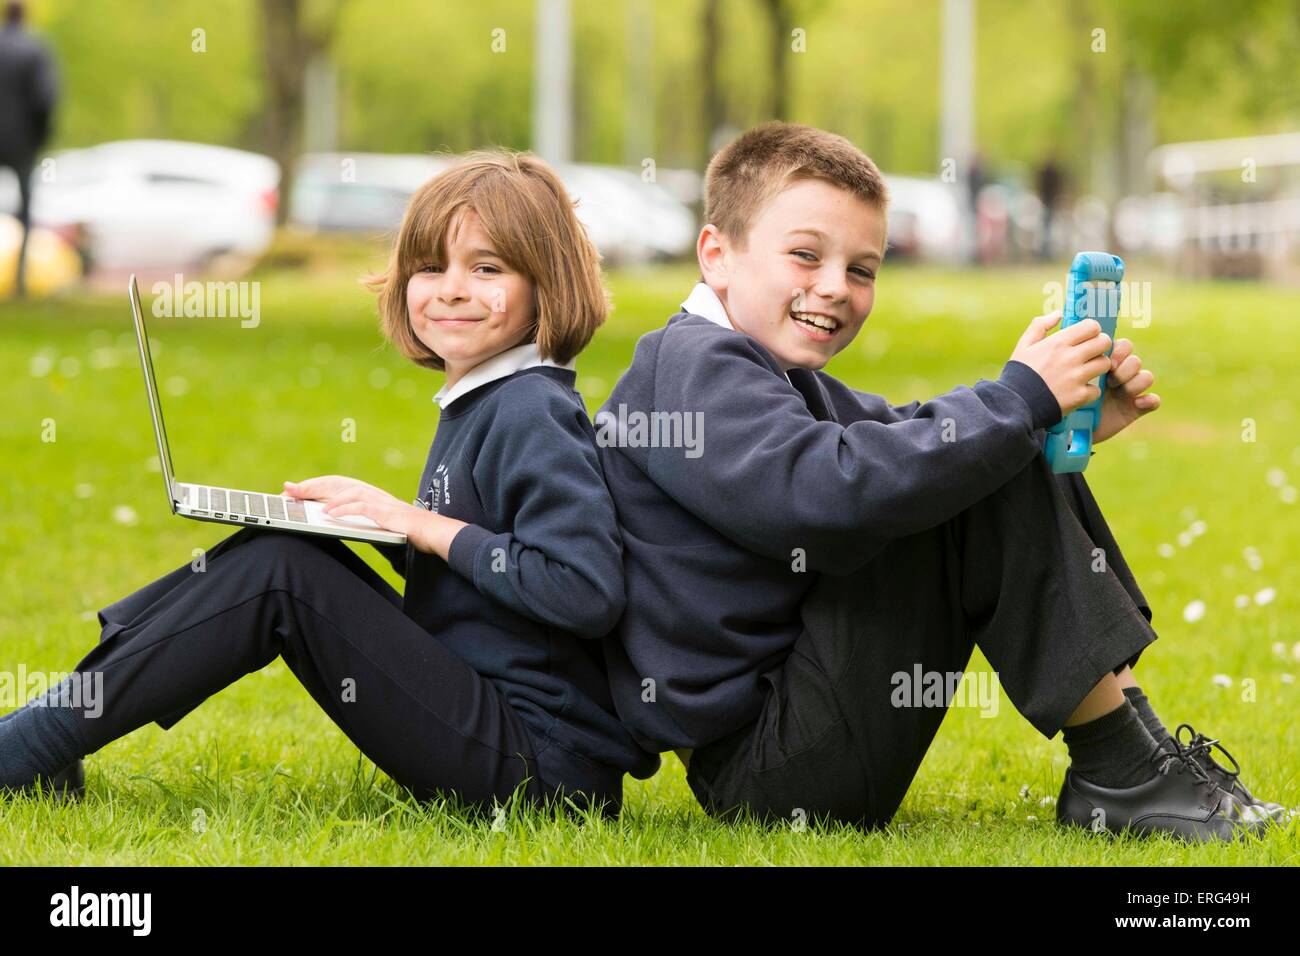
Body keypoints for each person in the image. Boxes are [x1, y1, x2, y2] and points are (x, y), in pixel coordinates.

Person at [595, 121, 1291, 841]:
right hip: (771, 769)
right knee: (974, 455)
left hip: (796, 734)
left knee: (987, 448)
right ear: (718, 254)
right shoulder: (690, 369)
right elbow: (824, 496)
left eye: (861, 270)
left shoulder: (757, 366)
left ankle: (1139, 757)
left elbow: (906, 431)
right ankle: (1124, 771)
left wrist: (1045, 415)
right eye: (805, 255)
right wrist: (1019, 399)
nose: (834, 288)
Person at [0, 149, 658, 815]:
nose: (452, 288)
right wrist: (375, 524)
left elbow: (584, 590)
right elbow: (490, 583)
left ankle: (32, 743)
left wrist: (421, 526)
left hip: (542, 769)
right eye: (431, 267)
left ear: (546, 285)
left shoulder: (529, 411)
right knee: (284, 550)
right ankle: (50, 735)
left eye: (486, 268)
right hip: (502, 730)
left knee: (283, 574)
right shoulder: (487, 399)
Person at [0, 0, 58, 298]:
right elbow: (45, 98)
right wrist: (40, 138)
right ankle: (19, 281)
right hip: (22, 142)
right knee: (25, 211)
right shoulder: (35, 49)